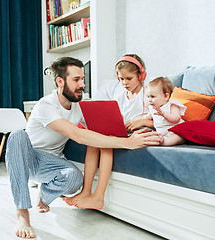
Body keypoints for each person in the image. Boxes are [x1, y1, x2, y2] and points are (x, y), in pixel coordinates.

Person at [5, 56, 161, 239]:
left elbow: (95, 130)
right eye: (76, 80)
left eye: (83, 79)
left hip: (53, 162)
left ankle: (44, 195)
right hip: (30, 157)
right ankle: (22, 214)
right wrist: (128, 143)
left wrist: (124, 131)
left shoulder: (78, 106)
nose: (82, 85)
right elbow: (78, 135)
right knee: (17, 135)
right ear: (60, 82)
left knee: (74, 179)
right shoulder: (45, 105)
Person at [63, 54, 154, 210]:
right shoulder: (120, 95)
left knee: (106, 143)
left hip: (142, 132)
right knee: (94, 142)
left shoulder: (148, 94)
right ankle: (86, 191)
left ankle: (98, 197)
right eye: (121, 79)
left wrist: (142, 121)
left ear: (141, 75)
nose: (124, 83)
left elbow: (161, 120)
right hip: (124, 132)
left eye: (129, 79)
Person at [145, 77, 187, 146]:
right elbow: (146, 118)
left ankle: (164, 142)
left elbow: (176, 119)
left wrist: (164, 114)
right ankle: (159, 140)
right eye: (148, 96)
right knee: (150, 135)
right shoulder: (152, 108)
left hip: (175, 131)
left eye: (152, 97)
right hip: (162, 133)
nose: (149, 100)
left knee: (178, 136)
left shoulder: (172, 105)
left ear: (165, 96)